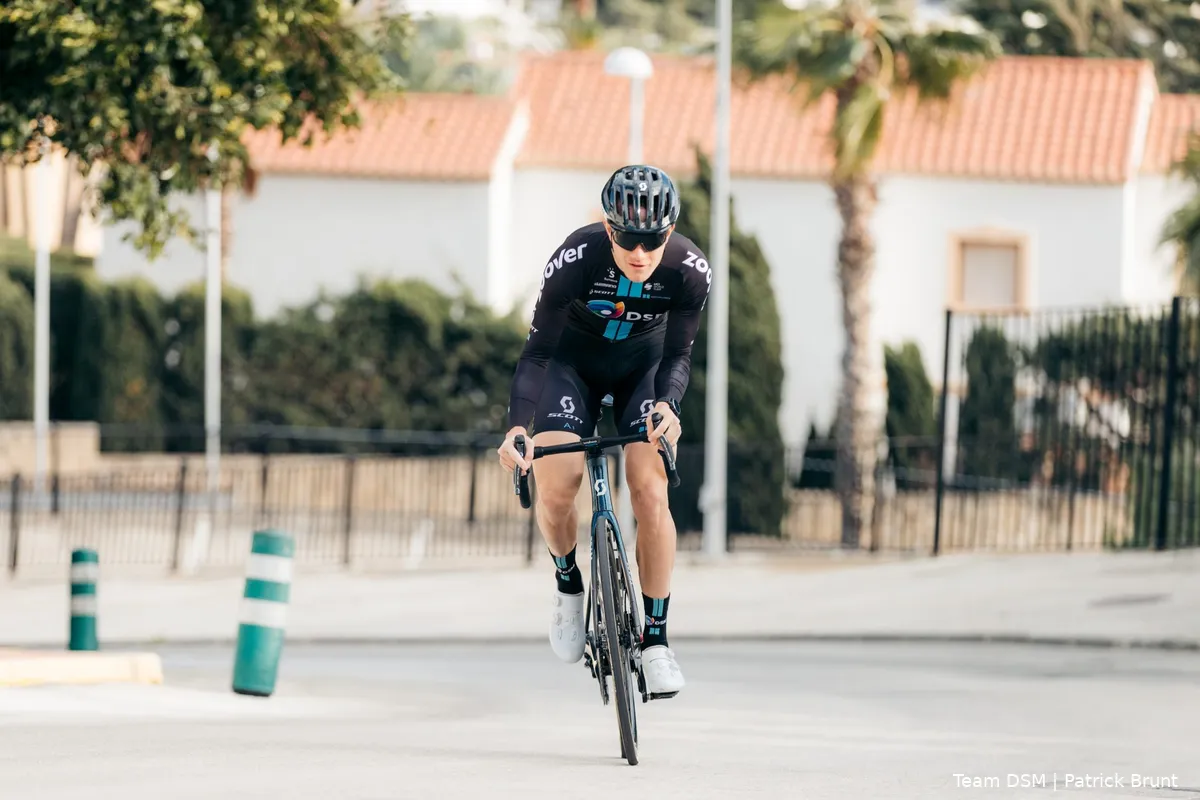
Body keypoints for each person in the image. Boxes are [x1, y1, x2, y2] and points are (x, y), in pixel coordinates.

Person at [496, 164, 712, 698]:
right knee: (557, 485)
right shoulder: (574, 258)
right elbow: (538, 352)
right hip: (571, 368)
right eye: (627, 240)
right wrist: (517, 428)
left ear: (670, 233)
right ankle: (568, 579)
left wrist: (668, 404)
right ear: (609, 229)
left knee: (650, 491)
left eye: (653, 241)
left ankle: (656, 639)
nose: (640, 254)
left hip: (643, 371)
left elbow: (680, 354)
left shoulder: (689, 269)